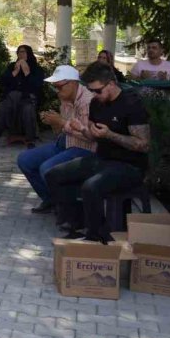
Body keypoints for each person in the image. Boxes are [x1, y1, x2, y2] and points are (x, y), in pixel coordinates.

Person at [45, 61, 150, 243]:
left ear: (111, 84)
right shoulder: (96, 104)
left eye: (98, 90)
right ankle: (78, 223)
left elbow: (144, 145)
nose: (94, 95)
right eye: (91, 90)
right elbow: (94, 137)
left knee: (91, 186)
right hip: (102, 159)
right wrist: (83, 130)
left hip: (130, 165)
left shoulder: (132, 104)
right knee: (54, 174)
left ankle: (97, 236)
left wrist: (110, 134)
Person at [16, 64, 96, 214]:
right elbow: (59, 132)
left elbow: (90, 137)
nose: (57, 91)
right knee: (25, 159)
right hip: (65, 142)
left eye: (59, 87)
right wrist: (53, 122)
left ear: (72, 83)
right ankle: (51, 200)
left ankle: (68, 208)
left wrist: (61, 122)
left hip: (84, 148)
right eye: (54, 87)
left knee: (47, 168)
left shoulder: (87, 101)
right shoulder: (66, 98)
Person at [0, 44, 45, 149]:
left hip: (28, 98)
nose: (21, 54)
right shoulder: (12, 66)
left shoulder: (36, 68)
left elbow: (37, 85)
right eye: (19, 52)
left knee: (28, 110)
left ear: (29, 54)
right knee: (1, 109)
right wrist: (15, 72)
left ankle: (30, 140)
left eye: (23, 52)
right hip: (11, 98)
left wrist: (27, 72)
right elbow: (3, 82)